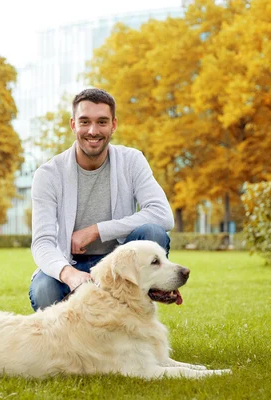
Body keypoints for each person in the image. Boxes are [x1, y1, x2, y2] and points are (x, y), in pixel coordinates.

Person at [29, 88, 174, 311]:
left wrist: (96, 230)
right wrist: (70, 275)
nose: (93, 131)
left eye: (102, 122)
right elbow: (42, 242)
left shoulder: (132, 160)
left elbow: (163, 215)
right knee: (43, 292)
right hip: (71, 263)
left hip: (119, 262)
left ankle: (134, 317)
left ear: (113, 125)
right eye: (84, 122)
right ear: (73, 125)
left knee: (154, 233)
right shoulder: (48, 175)